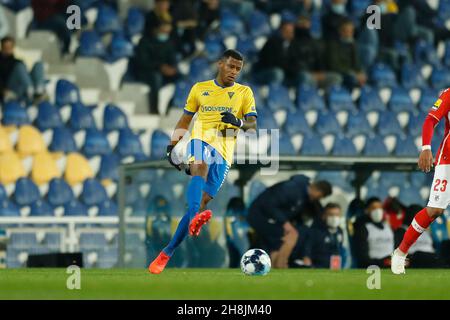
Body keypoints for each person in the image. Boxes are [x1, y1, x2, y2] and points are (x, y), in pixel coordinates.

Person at [148, 49, 258, 274]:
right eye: (231, 66)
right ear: (220, 64)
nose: (234, 72)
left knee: (201, 202)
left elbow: (252, 125)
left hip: (225, 151)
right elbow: (185, 119)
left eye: (238, 68)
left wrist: (237, 121)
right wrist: (172, 145)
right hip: (201, 140)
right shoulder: (200, 89)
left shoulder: (245, 92)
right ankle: (191, 223)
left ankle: (167, 251)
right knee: (199, 166)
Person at [391, 87, 450, 274]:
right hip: (448, 157)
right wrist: (426, 147)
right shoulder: (449, 94)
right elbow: (430, 120)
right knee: (435, 210)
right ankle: (400, 253)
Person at [246, 175, 332, 268]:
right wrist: (285, 222)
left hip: (270, 220)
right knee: (290, 235)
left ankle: (277, 265)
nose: (318, 199)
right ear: (318, 192)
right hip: (260, 217)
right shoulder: (291, 188)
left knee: (281, 240)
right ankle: (280, 264)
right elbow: (269, 204)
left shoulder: (302, 195)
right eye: (320, 197)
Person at [132, 19, 179, 114]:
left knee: (181, 78)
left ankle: (172, 109)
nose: (165, 34)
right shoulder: (145, 41)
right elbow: (143, 61)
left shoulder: (168, 43)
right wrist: (160, 67)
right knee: (155, 78)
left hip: (164, 72)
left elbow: (172, 59)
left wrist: (173, 69)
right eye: (163, 31)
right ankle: (154, 110)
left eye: (167, 32)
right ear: (156, 30)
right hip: (146, 72)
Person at [0, 36, 46, 103]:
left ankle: (39, 90)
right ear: (2, 47)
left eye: (10, 47)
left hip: (23, 86)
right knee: (19, 67)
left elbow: (25, 75)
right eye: (6, 47)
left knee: (38, 64)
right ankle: (30, 91)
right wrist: (2, 91)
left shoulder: (18, 61)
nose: (8, 49)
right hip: (10, 88)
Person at [353, 197, 394, 268]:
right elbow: (362, 256)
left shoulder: (388, 227)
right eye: (373, 208)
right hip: (374, 266)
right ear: (367, 210)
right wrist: (383, 262)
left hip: (391, 265)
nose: (378, 210)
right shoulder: (363, 228)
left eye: (380, 208)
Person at [326, 19, 367, 89]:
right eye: (346, 31)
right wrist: (351, 73)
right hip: (339, 73)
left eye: (351, 31)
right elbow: (334, 65)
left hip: (351, 73)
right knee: (351, 78)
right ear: (340, 31)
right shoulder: (333, 45)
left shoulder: (353, 45)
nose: (349, 34)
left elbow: (357, 64)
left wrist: (360, 72)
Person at [302, 203, 345, 269]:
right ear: (324, 216)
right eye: (331, 215)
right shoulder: (316, 230)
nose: (334, 218)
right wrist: (306, 257)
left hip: (335, 266)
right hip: (318, 266)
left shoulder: (340, 231)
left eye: (337, 215)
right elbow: (307, 247)